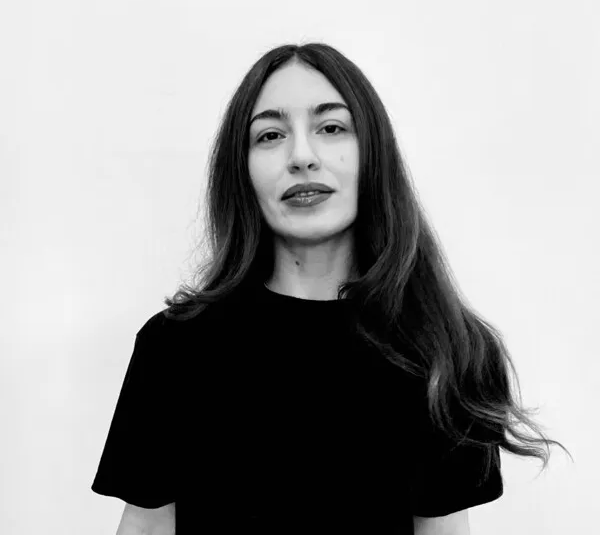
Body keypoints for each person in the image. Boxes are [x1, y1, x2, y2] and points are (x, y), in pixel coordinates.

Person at [91, 42, 572, 534]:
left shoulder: (444, 351)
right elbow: (148, 526)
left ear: (373, 154)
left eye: (331, 128)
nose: (302, 156)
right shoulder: (175, 348)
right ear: (242, 170)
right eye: (271, 135)